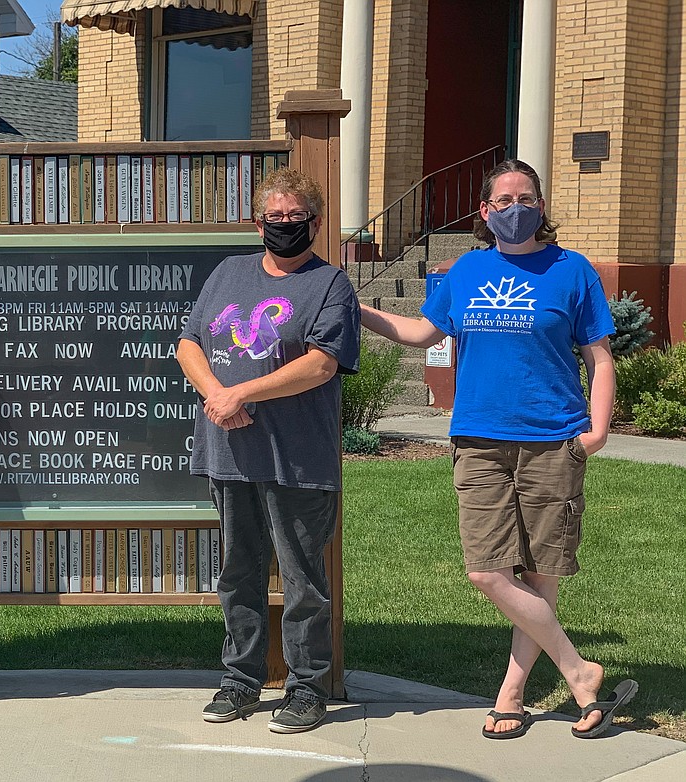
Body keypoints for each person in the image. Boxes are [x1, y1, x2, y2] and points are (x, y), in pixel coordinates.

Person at [360, 159, 637, 740]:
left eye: (526, 197)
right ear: (485, 212)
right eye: (504, 200)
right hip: (479, 439)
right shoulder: (467, 270)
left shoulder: (572, 271)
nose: (516, 208)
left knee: (539, 573)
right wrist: (352, 304)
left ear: (541, 205)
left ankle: (511, 694)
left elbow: (600, 357)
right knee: (487, 571)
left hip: (552, 440)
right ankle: (578, 670)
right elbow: (420, 332)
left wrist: (598, 429)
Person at [177, 167, 360, 733]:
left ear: (316, 222)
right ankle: (240, 680)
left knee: (303, 580)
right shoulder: (228, 273)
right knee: (239, 572)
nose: (284, 226)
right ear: (257, 222)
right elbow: (189, 342)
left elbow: (321, 362)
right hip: (229, 451)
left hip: (298, 457)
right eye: (274, 217)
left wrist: (241, 392)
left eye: (295, 218)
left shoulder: (331, 284)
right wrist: (218, 397)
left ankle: (307, 687)